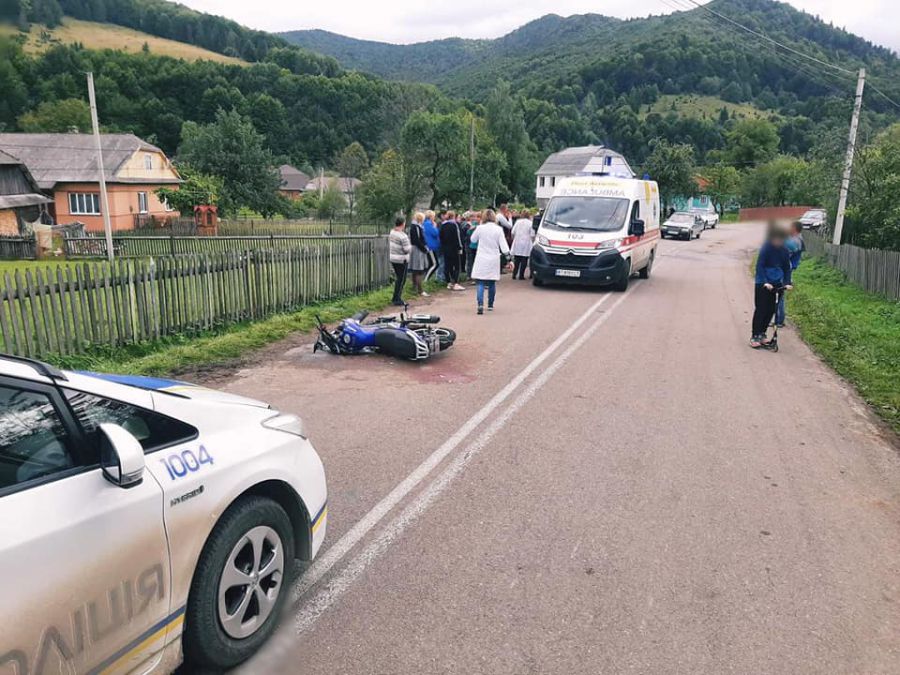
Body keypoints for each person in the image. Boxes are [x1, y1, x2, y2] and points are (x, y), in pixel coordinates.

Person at [751, 223, 793, 348]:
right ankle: (755, 335)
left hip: (776, 283)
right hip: (763, 283)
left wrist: (787, 283)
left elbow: (787, 268)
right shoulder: (766, 248)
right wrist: (764, 281)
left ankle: (762, 334)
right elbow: (760, 265)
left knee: (771, 310)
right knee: (761, 309)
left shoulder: (784, 250)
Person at [470, 209, 510, 315]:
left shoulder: (480, 228)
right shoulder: (498, 229)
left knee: (480, 282)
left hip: (481, 257)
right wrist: (509, 258)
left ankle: (480, 304)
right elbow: (503, 246)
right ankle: (490, 305)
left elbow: (473, 240)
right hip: (493, 258)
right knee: (492, 282)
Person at [775, 221, 805, 327]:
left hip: (785, 269)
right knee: (778, 293)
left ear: (794, 228)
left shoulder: (796, 241)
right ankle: (777, 319)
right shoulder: (796, 239)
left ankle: (779, 320)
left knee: (780, 293)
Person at [439, 210, 465, 291]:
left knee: (448, 266)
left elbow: (441, 237)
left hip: (446, 248)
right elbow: (458, 237)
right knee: (457, 266)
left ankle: (449, 282)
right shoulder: (455, 225)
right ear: (453, 216)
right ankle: (456, 282)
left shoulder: (443, 225)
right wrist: (460, 247)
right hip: (454, 248)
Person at [388, 216, 411, 306]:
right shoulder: (403, 236)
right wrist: (410, 247)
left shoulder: (392, 232)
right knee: (401, 280)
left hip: (393, 258)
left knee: (399, 278)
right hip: (402, 259)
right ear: (403, 224)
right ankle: (397, 298)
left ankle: (395, 297)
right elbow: (407, 249)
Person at [408, 212, 431, 297]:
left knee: (415, 269)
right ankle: (420, 290)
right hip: (417, 249)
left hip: (415, 248)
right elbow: (417, 240)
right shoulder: (416, 227)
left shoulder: (414, 226)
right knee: (419, 270)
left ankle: (414, 288)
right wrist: (424, 248)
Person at [510, 211, 534, 280]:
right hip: (526, 242)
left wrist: (513, 239)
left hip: (517, 241)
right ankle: (521, 275)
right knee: (524, 259)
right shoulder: (530, 223)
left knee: (517, 259)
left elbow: (512, 232)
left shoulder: (518, 222)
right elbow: (532, 234)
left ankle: (514, 274)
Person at [423, 210, 442, 283]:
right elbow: (435, 233)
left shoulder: (425, 224)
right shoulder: (428, 224)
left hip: (430, 245)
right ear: (430, 217)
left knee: (432, 264)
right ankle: (426, 280)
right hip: (431, 246)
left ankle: (426, 279)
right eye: (433, 216)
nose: (434, 218)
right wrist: (435, 227)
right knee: (435, 264)